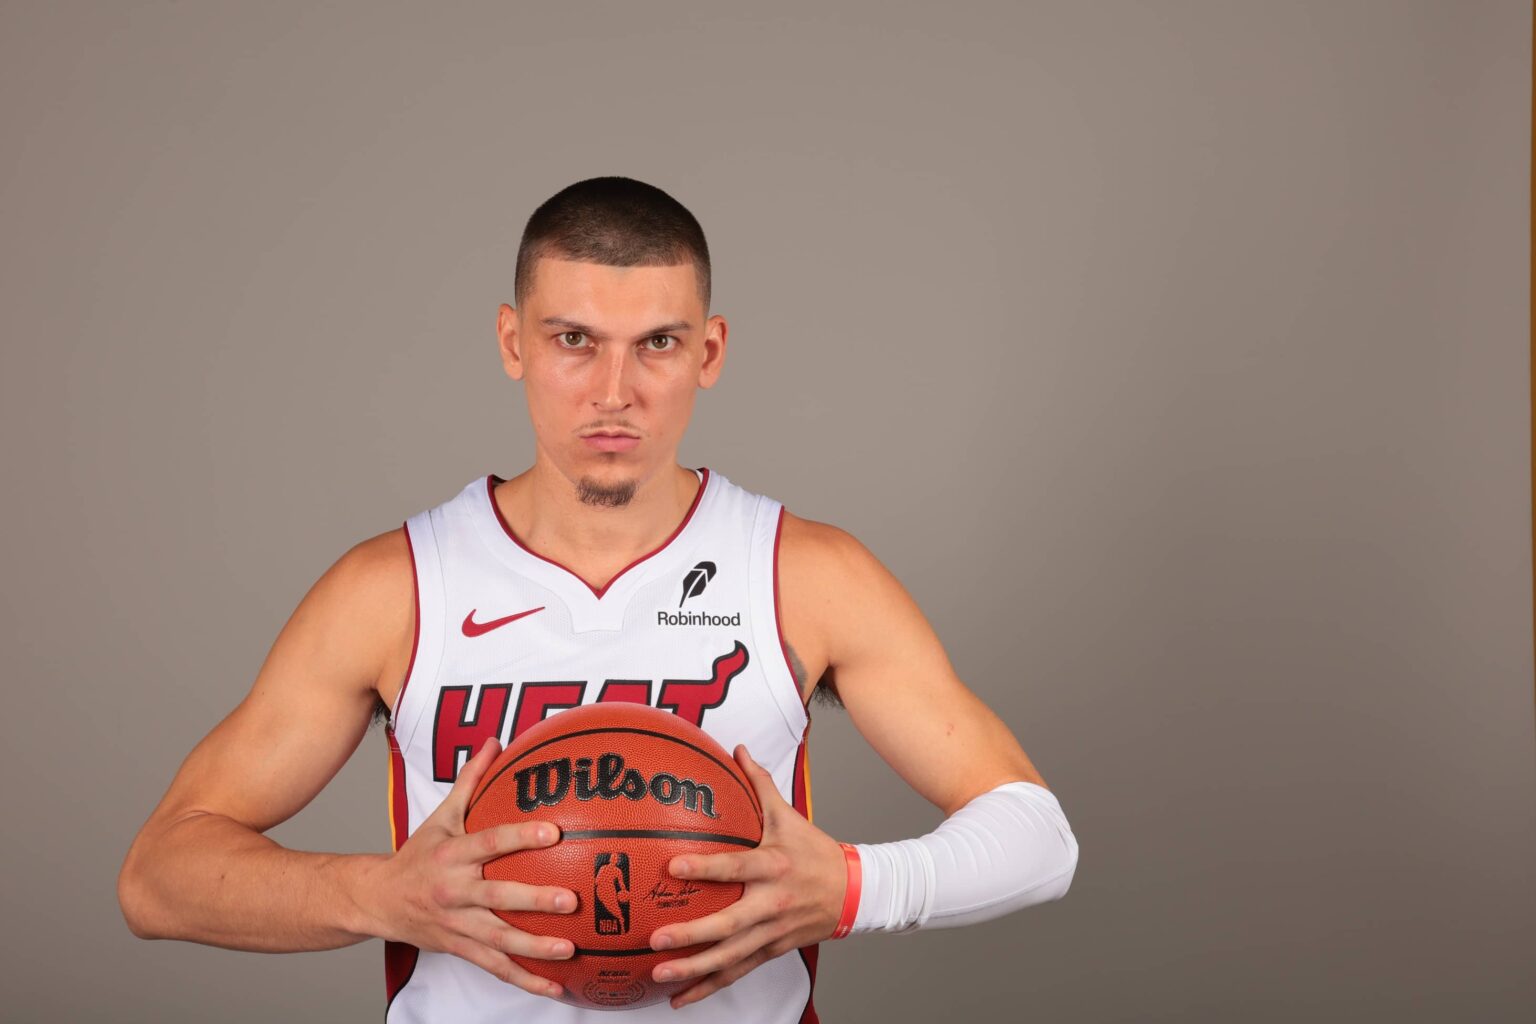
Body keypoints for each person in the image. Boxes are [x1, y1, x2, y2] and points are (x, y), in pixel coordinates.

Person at [117, 176, 1080, 1022]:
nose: (614, 392)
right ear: (512, 342)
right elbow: (159, 877)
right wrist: (381, 895)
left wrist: (854, 886)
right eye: (573, 340)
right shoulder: (397, 589)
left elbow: (1038, 839)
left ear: (709, 352)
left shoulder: (801, 574)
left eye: (656, 344)